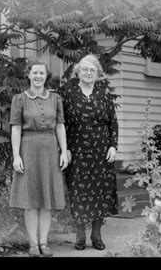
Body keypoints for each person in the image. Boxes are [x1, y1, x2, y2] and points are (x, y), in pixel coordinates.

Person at [9, 59, 70, 257]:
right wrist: (16, 155)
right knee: (30, 200)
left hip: (50, 150)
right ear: (28, 75)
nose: (37, 76)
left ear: (46, 76)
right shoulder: (19, 99)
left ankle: (44, 243)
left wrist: (64, 151)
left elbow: (60, 126)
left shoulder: (56, 99)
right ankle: (33, 244)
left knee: (47, 200)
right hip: (28, 149)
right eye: (34, 73)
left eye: (41, 73)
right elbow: (16, 129)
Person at [58, 54, 119, 251]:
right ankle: (80, 234)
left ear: (98, 73)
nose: (88, 72)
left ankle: (96, 234)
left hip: (101, 151)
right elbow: (61, 124)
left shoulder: (104, 94)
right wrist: (64, 148)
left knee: (100, 192)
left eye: (92, 69)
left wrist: (113, 146)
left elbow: (113, 122)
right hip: (76, 151)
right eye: (85, 69)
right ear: (77, 71)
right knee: (78, 191)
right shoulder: (68, 94)